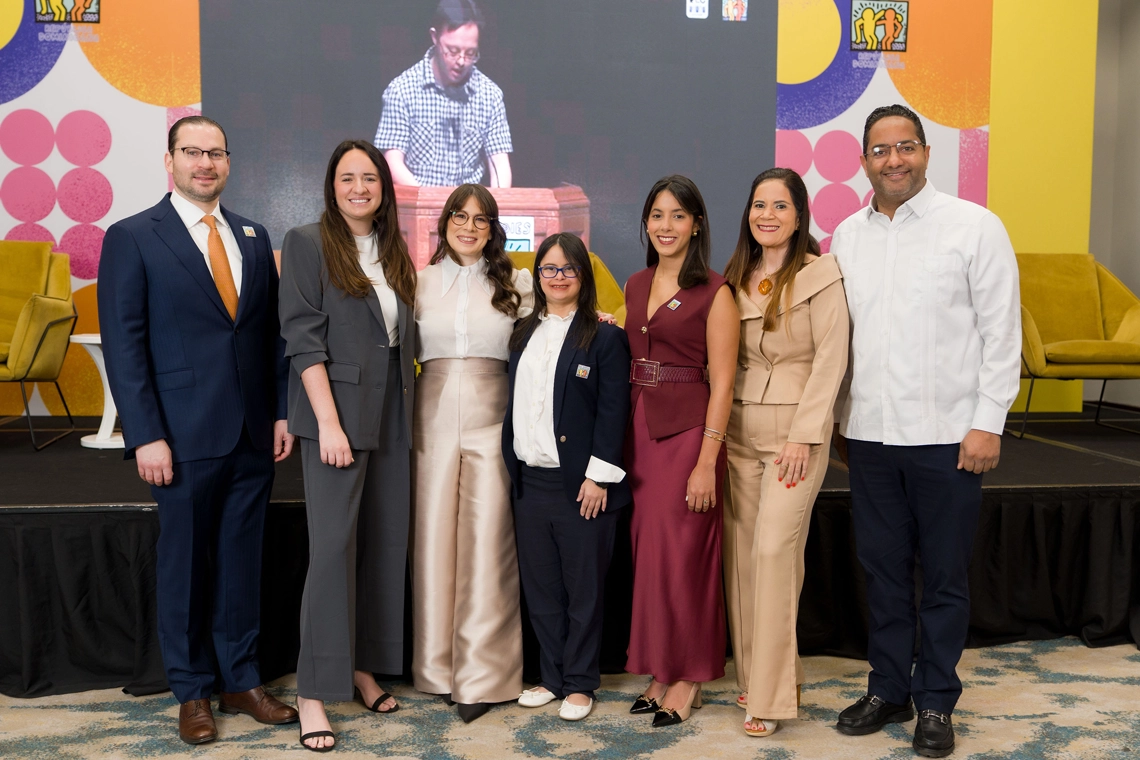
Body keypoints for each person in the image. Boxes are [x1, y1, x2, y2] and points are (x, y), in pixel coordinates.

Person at [97, 115, 298, 745]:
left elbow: (268, 336)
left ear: (229, 162)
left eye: (216, 153)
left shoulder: (253, 235)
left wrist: (281, 411)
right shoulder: (132, 236)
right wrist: (145, 433)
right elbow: (125, 346)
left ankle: (242, 679)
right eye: (192, 152)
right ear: (170, 160)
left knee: (241, 563)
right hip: (178, 438)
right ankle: (192, 691)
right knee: (184, 566)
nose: (205, 163)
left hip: (251, 434)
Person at [831, 104, 1020, 758]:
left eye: (906, 146)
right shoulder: (846, 236)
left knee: (942, 577)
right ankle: (889, 689)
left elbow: (1002, 334)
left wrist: (988, 423)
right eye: (881, 150)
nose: (894, 160)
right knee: (882, 572)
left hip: (949, 439)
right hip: (870, 438)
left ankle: (936, 698)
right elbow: (840, 340)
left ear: (926, 153)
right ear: (864, 161)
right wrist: (839, 422)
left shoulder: (974, 227)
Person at [278, 139, 418, 751]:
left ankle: (362, 668)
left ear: (384, 188)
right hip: (336, 416)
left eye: (370, 178)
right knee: (333, 551)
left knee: (382, 545)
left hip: (392, 413)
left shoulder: (393, 248)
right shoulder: (307, 242)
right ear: (331, 186)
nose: (359, 188)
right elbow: (303, 339)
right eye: (347, 178)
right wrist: (328, 424)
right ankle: (312, 691)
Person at [721, 168, 849, 737]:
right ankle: (762, 677)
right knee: (745, 561)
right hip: (738, 433)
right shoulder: (734, 278)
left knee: (774, 552)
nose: (766, 215)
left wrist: (806, 434)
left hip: (795, 439)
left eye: (779, 205)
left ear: (799, 216)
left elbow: (831, 360)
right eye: (758, 204)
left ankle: (770, 700)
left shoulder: (821, 275)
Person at [624, 175, 740, 727]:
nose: (665, 226)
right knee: (651, 557)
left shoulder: (716, 292)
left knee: (687, 557)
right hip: (639, 433)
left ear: (696, 225)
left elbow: (724, 383)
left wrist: (705, 463)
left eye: (677, 215)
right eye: (657, 215)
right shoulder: (634, 283)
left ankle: (689, 675)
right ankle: (659, 668)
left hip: (690, 436)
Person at [411, 184, 531, 722]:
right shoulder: (418, 282)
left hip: (494, 413)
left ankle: (483, 676)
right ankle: (437, 668)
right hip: (430, 414)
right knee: (434, 537)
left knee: (489, 539)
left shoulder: (516, 284)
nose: (469, 227)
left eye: (480, 220)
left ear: (492, 229)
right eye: (460, 216)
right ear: (445, 223)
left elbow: (557, 325)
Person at [502, 233, 632, 722]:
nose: (558, 277)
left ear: (583, 275)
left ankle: (580, 682)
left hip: (581, 486)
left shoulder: (605, 336)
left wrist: (598, 478)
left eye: (568, 269)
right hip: (529, 481)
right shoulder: (521, 332)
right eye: (549, 269)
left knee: (584, 592)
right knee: (542, 590)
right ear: (537, 275)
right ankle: (551, 677)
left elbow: (614, 412)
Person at [373, 0, 513, 187]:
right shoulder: (401, 91)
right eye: (452, 51)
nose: (461, 61)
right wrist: (430, 200)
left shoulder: (489, 95)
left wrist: (498, 200)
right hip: (417, 199)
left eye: (470, 53)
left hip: (469, 202)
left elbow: (499, 164)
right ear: (435, 37)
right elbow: (392, 162)